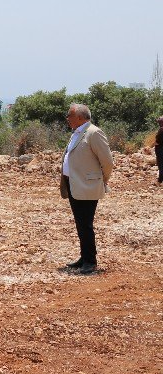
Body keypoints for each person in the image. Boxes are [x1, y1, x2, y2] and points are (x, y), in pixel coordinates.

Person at [60, 103, 114, 275]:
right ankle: (84, 257)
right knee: (80, 223)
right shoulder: (76, 133)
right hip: (74, 185)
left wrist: (100, 180)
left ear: (80, 117)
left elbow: (107, 162)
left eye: (70, 115)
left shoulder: (94, 132)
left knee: (86, 224)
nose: (67, 118)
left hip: (87, 185)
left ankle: (90, 261)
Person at [155, 116, 163, 185]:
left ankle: (160, 181)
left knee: (161, 165)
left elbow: (158, 140)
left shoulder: (161, 130)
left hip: (160, 148)